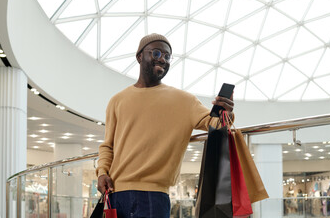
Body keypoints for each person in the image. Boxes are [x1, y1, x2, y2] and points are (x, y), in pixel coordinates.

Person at [96, 33, 234, 218]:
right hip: (116, 193)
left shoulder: (184, 101)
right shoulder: (117, 100)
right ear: (139, 56)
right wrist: (102, 173)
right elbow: (108, 146)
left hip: (153, 196)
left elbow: (217, 124)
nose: (162, 59)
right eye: (156, 53)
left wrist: (227, 111)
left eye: (167, 56)